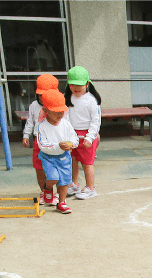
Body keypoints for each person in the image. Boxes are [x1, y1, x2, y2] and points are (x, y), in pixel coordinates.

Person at [34, 89, 78, 214]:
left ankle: (62, 203)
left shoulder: (66, 124)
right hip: (48, 157)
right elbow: (42, 145)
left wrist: (72, 144)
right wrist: (58, 146)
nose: (60, 115)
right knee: (53, 177)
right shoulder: (42, 126)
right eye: (55, 112)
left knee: (64, 181)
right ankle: (47, 188)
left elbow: (74, 138)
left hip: (64, 156)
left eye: (62, 112)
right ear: (46, 111)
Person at [64, 66, 102, 200]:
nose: (75, 88)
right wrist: (68, 134)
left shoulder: (92, 100)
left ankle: (90, 188)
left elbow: (95, 122)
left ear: (87, 84)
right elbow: (66, 118)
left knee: (87, 163)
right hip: (72, 135)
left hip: (86, 136)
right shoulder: (68, 98)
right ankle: (74, 184)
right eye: (72, 85)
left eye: (79, 85)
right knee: (72, 161)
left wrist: (90, 137)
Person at [22, 74, 59, 206]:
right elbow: (30, 121)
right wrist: (26, 135)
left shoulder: (58, 105)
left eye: (46, 95)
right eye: (40, 95)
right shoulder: (34, 106)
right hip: (38, 141)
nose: (42, 98)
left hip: (54, 142)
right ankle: (44, 192)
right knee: (39, 169)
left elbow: (65, 123)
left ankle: (54, 193)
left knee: (54, 169)